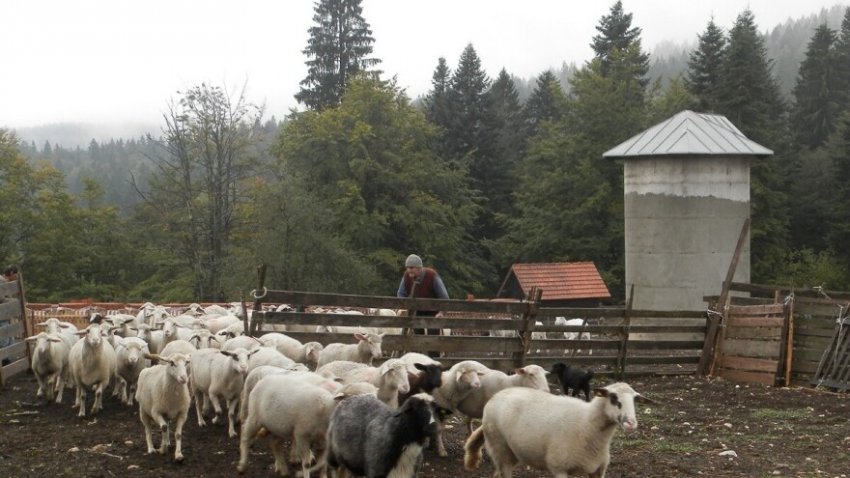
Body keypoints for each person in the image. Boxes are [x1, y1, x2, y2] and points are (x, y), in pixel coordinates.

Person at [397, 254, 449, 357]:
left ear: (419, 268)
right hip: (416, 310)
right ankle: (419, 359)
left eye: (411, 268)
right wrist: (403, 306)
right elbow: (401, 293)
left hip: (433, 311)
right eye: (407, 268)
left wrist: (442, 312)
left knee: (432, 337)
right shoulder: (406, 276)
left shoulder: (431, 275)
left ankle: (434, 361)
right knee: (417, 336)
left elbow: (444, 296)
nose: (409, 270)